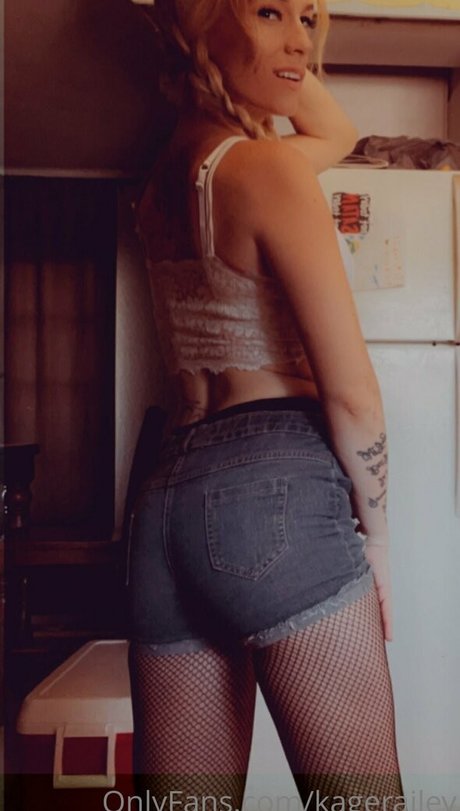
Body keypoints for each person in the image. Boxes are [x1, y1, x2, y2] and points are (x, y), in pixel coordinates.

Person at [127, 0, 405, 806]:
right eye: (269, 10)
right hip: (272, 489)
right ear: (201, 22)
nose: (300, 43)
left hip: (164, 507)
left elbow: (336, 133)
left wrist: (271, 52)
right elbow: (353, 392)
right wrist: (379, 539)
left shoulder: (159, 186)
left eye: (310, 19)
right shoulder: (268, 171)